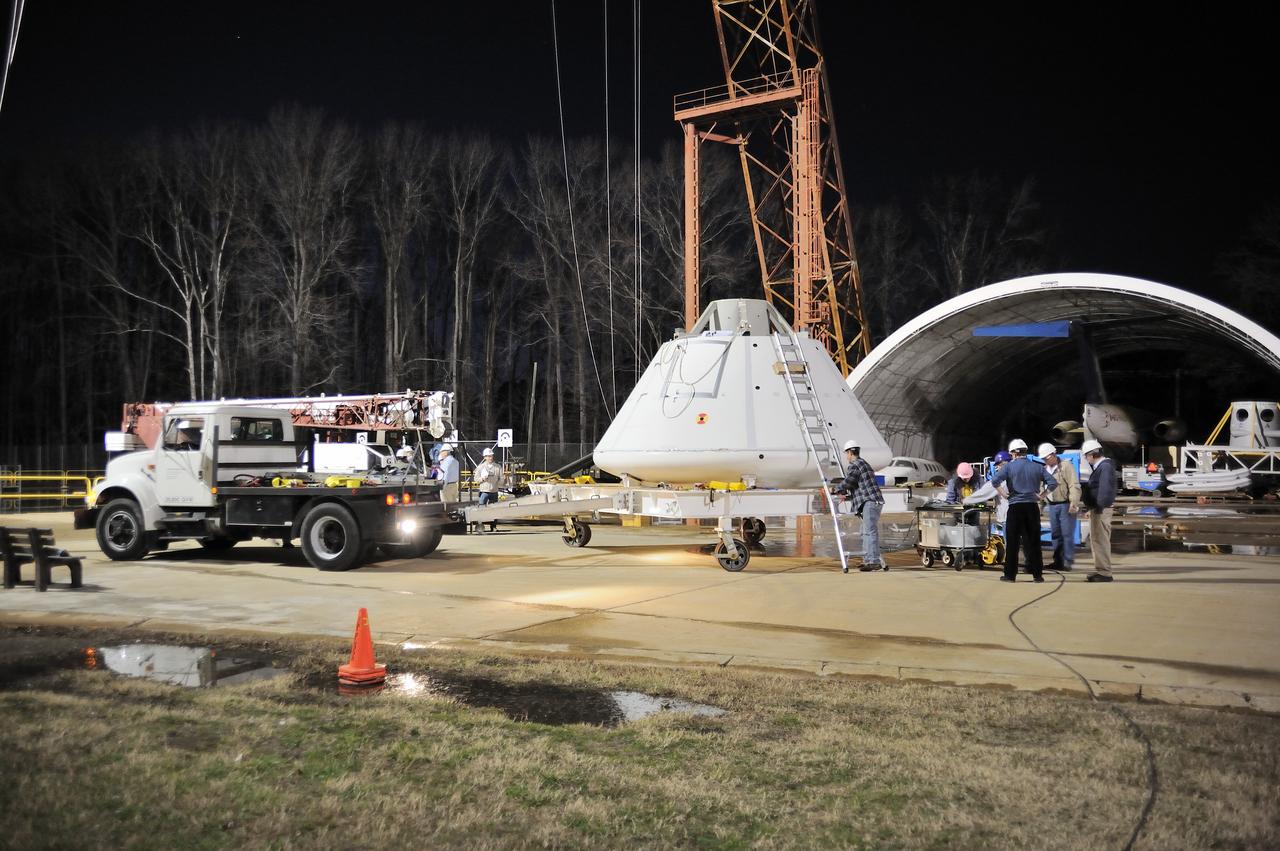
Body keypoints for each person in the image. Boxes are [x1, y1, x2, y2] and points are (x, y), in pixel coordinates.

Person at [988, 438, 1057, 583]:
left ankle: (1010, 575)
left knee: (1013, 543)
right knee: (1033, 542)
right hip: (1032, 507)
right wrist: (1042, 495)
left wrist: (1003, 494)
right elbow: (1053, 483)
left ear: (1014, 453)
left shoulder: (1009, 467)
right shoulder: (1037, 467)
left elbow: (995, 481)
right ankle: (1037, 575)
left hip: (1015, 507)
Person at [832, 440, 887, 573]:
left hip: (870, 501)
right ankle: (868, 560)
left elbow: (849, 481)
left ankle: (873, 561)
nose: (846, 456)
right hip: (871, 501)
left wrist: (835, 489)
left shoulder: (855, 465)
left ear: (850, 453)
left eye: (847, 454)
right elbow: (856, 484)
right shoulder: (863, 463)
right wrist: (845, 491)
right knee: (865, 531)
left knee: (869, 531)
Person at [1039, 442, 1081, 571]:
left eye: (1046, 458)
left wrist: (1074, 503)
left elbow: (1074, 485)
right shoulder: (1044, 469)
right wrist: (1039, 507)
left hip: (1065, 504)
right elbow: (1041, 489)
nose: (1045, 460)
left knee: (1067, 534)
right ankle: (1058, 561)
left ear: (1053, 454)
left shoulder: (1066, 466)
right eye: (1043, 459)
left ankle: (1067, 561)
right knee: (1056, 534)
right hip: (1052, 506)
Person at [1081, 439, 1118, 582]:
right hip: (1098, 508)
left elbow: (1105, 489)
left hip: (1100, 509)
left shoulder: (1105, 467)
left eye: (1086, 456)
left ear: (1092, 455)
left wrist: (1099, 507)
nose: (1086, 459)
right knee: (1097, 539)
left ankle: (1105, 572)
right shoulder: (1103, 466)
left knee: (1100, 540)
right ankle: (1101, 570)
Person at [472, 448, 502, 532]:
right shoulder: (481, 467)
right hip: (484, 491)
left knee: (494, 509)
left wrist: (499, 484)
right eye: (488, 456)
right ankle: (480, 525)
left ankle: (493, 526)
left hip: (494, 491)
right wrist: (482, 479)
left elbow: (501, 478)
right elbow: (476, 479)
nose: (490, 458)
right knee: (481, 508)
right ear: (484, 457)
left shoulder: (498, 467)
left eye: (491, 456)